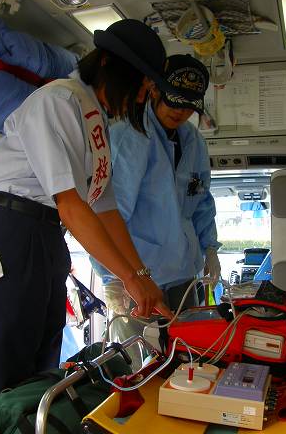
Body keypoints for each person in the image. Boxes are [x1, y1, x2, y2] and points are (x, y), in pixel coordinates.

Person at [0, 19, 175, 433]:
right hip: (6, 235)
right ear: (108, 63)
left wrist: (142, 275)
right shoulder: (58, 101)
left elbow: (105, 209)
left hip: (43, 239)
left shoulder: (96, 122)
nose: (143, 95)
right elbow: (71, 205)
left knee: (39, 378)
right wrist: (130, 279)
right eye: (141, 81)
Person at [92, 54, 221, 369]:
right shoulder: (128, 137)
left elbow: (201, 201)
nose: (180, 111)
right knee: (138, 368)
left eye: (188, 106)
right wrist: (113, 276)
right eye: (174, 101)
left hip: (183, 275)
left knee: (188, 364)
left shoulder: (194, 143)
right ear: (154, 90)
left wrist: (210, 249)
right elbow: (107, 214)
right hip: (136, 278)